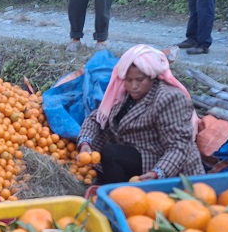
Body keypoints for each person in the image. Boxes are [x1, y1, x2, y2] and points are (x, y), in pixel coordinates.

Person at [77, 44, 205, 183]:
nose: (133, 86)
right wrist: (85, 143)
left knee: (110, 153)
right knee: (101, 142)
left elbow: (179, 146)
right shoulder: (123, 92)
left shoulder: (168, 98)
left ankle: (121, 191)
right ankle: (115, 186)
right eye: (128, 80)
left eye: (139, 80)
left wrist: (158, 172)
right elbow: (96, 118)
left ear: (151, 77)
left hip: (160, 160)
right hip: (134, 150)